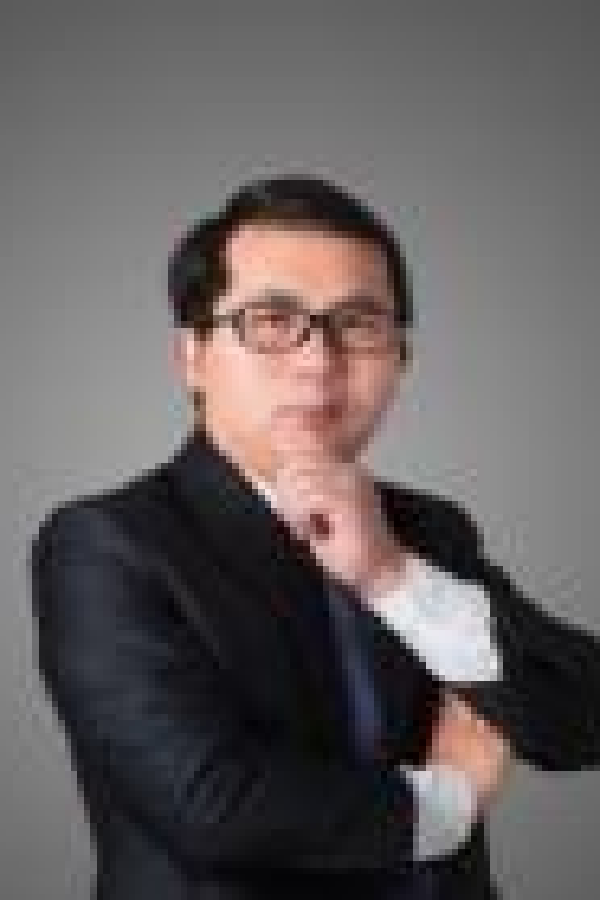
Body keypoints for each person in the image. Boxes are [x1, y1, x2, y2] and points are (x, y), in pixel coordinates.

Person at [29, 174, 600, 899]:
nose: (318, 362)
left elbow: (578, 717)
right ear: (193, 356)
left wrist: (390, 576)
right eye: (271, 321)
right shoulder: (107, 543)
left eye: (358, 324)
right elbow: (216, 806)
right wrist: (449, 803)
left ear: (402, 359)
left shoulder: (429, 530)